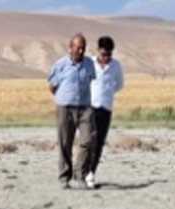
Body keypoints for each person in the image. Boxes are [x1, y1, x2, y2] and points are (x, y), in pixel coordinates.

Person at [47, 34, 96, 190]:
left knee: (87, 141)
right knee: (65, 142)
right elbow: (52, 86)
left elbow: (91, 81)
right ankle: (64, 177)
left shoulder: (89, 64)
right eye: (78, 47)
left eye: (83, 47)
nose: (81, 51)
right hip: (65, 108)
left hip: (85, 108)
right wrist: (63, 98)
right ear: (70, 48)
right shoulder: (61, 65)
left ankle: (80, 174)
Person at [85, 36, 125, 189]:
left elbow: (119, 84)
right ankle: (82, 170)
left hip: (106, 108)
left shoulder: (116, 66)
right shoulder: (90, 63)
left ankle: (91, 173)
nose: (106, 58)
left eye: (109, 55)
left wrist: (107, 93)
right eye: (103, 54)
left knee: (99, 143)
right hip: (90, 106)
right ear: (98, 51)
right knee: (87, 140)